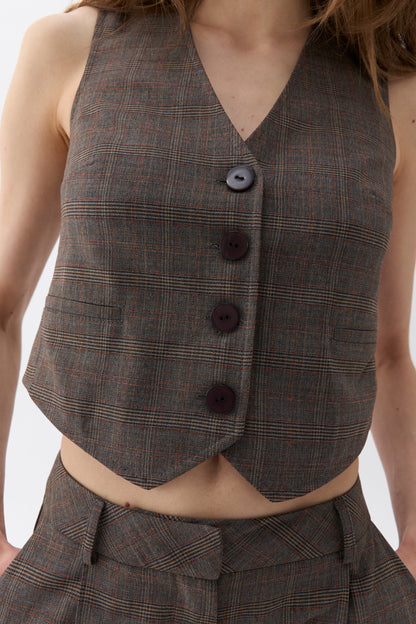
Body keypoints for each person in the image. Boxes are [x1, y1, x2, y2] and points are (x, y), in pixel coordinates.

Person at [0, 0, 416, 621]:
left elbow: (388, 351)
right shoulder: (69, 49)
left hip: (330, 580)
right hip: (87, 572)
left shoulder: (391, 87)